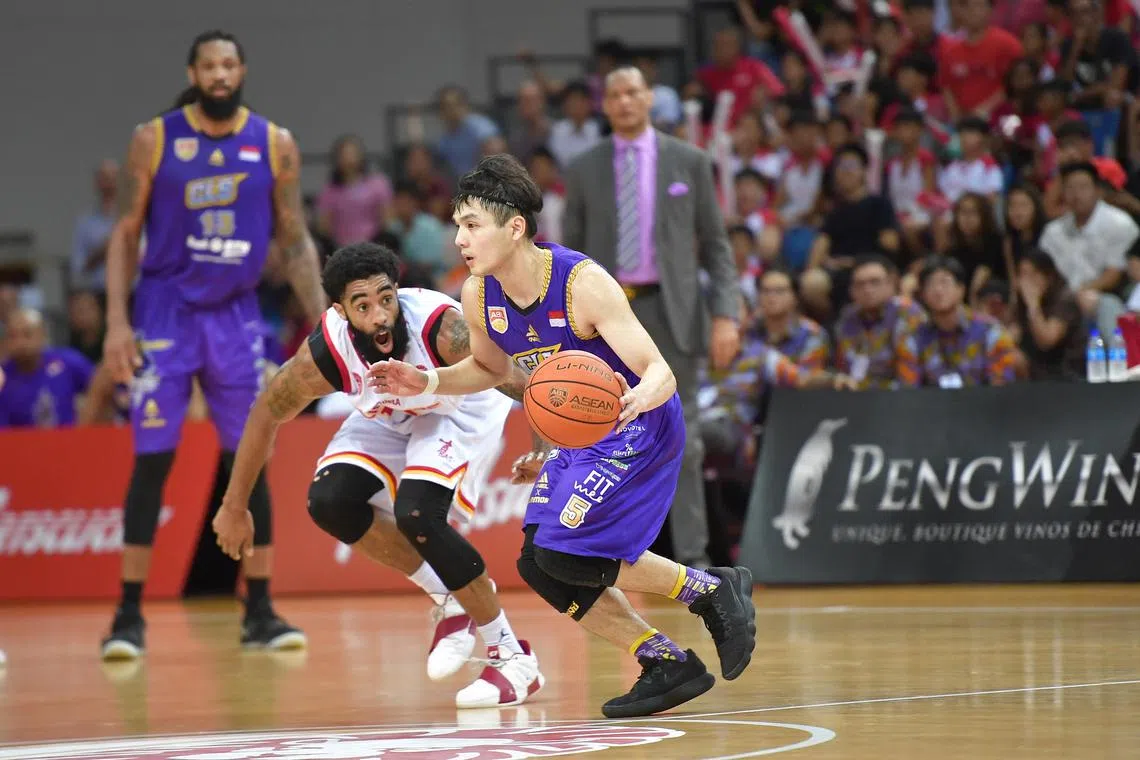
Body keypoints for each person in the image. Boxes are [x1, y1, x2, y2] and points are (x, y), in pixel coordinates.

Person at [369, 154, 757, 719]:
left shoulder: (581, 283)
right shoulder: (480, 294)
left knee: (569, 553)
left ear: (515, 227)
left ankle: (707, 591)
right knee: (537, 564)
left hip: (639, 424)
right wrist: (425, 378)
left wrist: (632, 404)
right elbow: (492, 369)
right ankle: (665, 659)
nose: (459, 239)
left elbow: (660, 371)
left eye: (472, 224)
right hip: (583, 437)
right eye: (457, 225)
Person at [212, 243, 543, 707]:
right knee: (330, 502)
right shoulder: (327, 352)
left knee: (417, 513)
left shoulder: (441, 330)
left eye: (386, 299)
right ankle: (450, 597)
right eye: (362, 306)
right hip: (393, 409)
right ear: (341, 311)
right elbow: (265, 413)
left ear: (398, 292)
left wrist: (543, 446)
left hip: (459, 405)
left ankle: (513, 658)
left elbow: (522, 377)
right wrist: (233, 505)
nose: (379, 316)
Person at [99, 30, 327, 660]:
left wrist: (325, 318)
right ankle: (126, 616)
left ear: (242, 71)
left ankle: (259, 609)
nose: (220, 75)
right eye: (209, 66)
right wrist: (116, 322)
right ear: (193, 72)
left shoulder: (275, 143)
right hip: (165, 311)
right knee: (153, 460)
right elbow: (124, 234)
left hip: (235, 315)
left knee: (248, 455)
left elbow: (296, 236)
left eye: (229, 65)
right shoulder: (156, 137)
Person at [562, 66, 740, 569]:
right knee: (600, 435)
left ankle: (696, 563)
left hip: (674, 309)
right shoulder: (583, 169)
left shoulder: (690, 161)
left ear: (649, 99)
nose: (623, 102)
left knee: (685, 437)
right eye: (614, 94)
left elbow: (717, 246)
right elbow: (565, 254)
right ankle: (602, 558)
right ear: (605, 104)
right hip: (605, 315)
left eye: (632, 93)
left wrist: (726, 314)